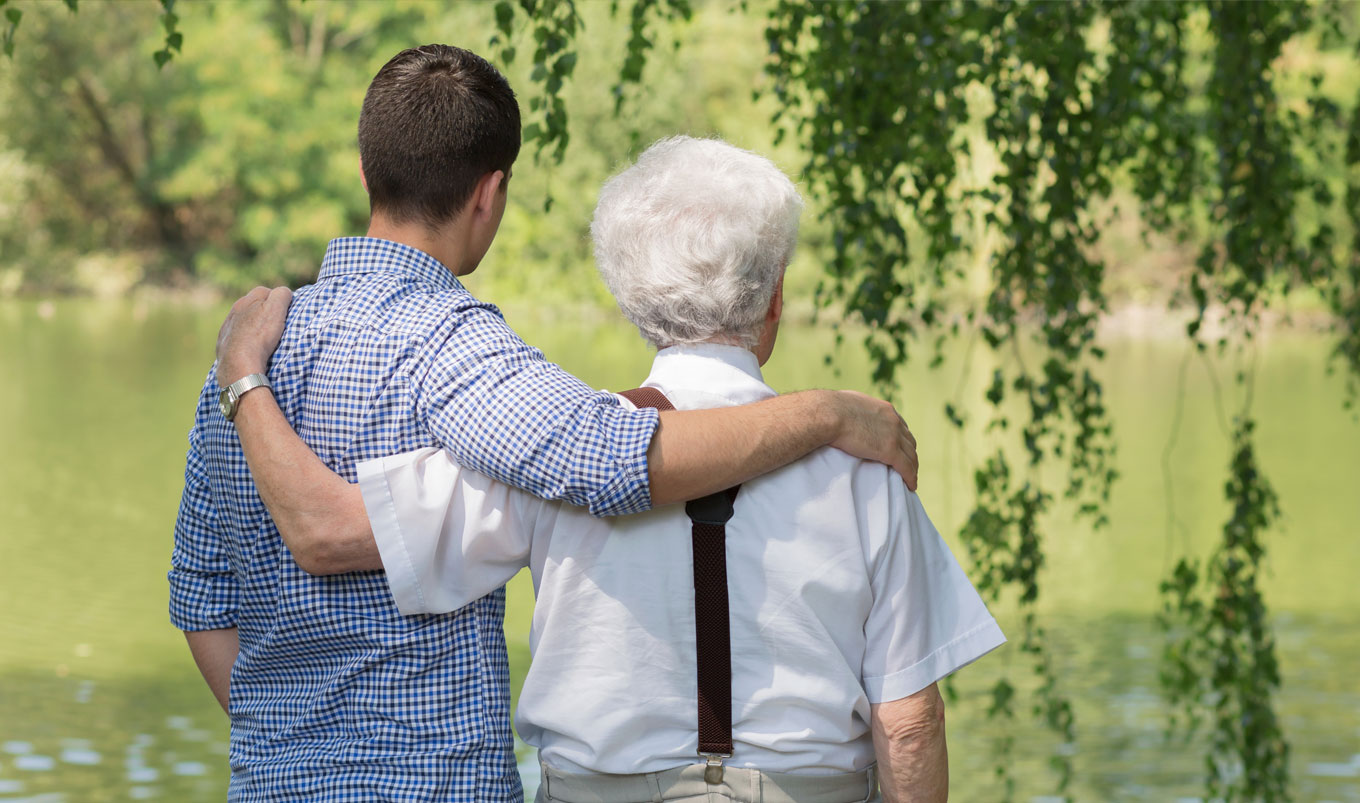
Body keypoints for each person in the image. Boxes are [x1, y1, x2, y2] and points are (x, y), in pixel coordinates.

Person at [173, 47, 918, 803]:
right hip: (435, 786)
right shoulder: (458, 347)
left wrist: (299, 737)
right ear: (489, 195)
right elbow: (616, 458)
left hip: (274, 781)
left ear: (367, 172)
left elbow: (201, 597)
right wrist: (827, 412)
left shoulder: (247, 355)